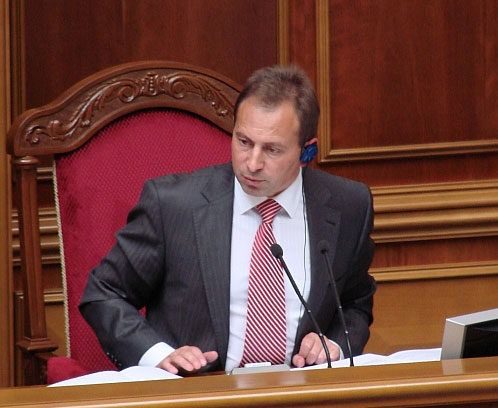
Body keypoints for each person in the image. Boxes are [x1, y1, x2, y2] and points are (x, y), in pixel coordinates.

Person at [79, 64, 376, 375]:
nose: (252, 163)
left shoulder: (347, 206)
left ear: (307, 152)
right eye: (244, 142)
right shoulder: (174, 205)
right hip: (197, 390)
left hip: (302, 389)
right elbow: (104, 293)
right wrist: (158, 356)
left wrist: (336, 343)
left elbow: (356, 303)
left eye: (272, 150)